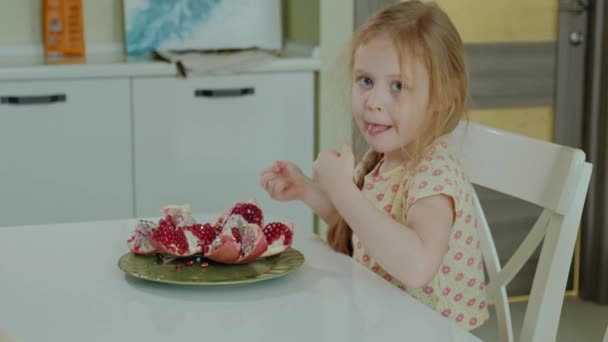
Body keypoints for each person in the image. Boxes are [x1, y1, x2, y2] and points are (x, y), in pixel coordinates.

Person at [259, 0, 488, 330]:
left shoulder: (434, 174)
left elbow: (418, 265)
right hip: (379, 320)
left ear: (441, 98)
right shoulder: (380, 159)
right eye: (365, 80)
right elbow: (361, 229)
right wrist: (309, 191)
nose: (374, 102)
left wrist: (342, 189)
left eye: (398, 86)